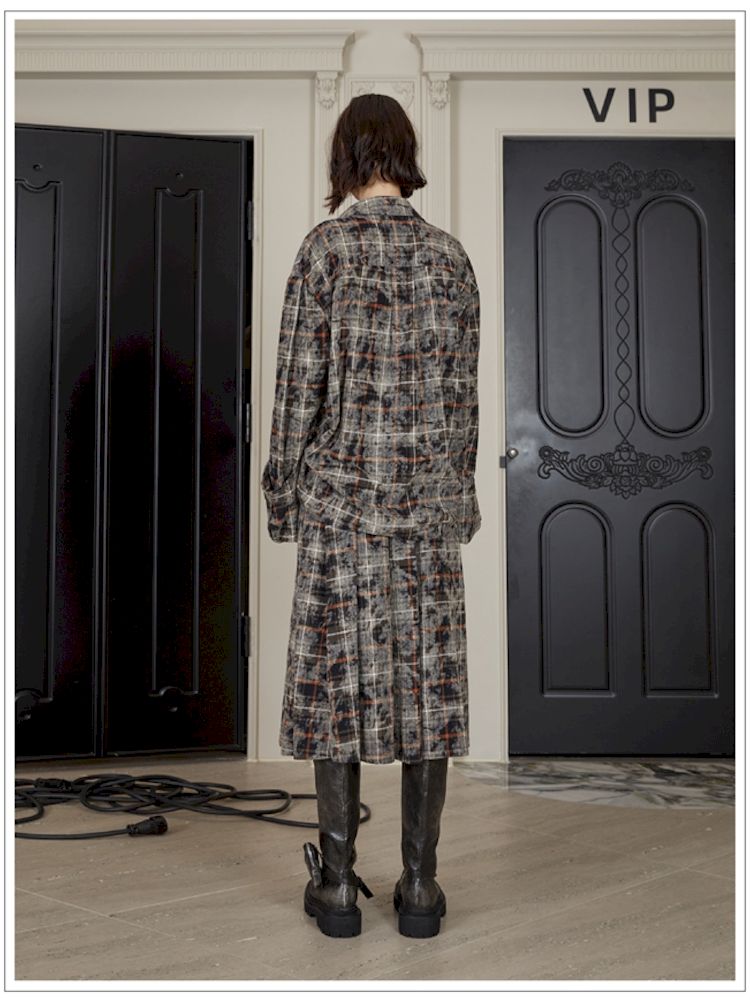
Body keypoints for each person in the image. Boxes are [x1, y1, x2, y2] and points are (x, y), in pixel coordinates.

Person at [261, 93, 481, 939]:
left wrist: (283, 497)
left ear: (345, 157)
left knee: (335, 693)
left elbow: (296, 395)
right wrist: (458, 496)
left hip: (342, 509)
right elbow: (462, 401)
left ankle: (339, 889)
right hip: (427, 510)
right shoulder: (450, 258)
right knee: (430, 694)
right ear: (406, 153)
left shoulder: (324, 252)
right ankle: (420, 889)